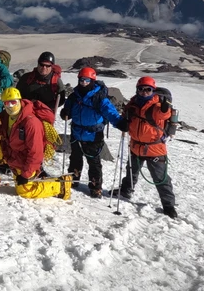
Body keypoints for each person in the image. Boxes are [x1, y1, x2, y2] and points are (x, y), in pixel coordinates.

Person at [0, 87, 70, 199]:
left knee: (24, 191)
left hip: (23, 160)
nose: (10, 106)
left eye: (13, 102)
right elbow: (5, 131)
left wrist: (25, 175)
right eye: (7, 103)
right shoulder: (7, 115)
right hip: (8, 151)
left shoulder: (31, 123)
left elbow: (35, 153)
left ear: (20, 100)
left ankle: (59, 185)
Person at [114, 76, 178, 218]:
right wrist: (123, 122)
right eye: (141, 89)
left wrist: (165, 107)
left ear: (153, 91)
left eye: (148, 90)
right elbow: (126, 116)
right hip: (136, 146)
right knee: (131, 171)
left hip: (154, 149)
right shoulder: (132, 104)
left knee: (160, 177)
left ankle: (168, 205)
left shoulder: (157, 105)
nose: (144, 92)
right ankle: (126, 190)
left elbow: (163, 114)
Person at [59, 67, 122, 198]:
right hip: (76, 132)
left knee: (94, 162)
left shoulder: (99, 97)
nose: (83, 83)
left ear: (92, 80)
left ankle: (95, 186)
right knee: (75, 158)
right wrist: (65, 112)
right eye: (81, 80)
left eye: (87, 80)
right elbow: (68, 109)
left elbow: (110, 112)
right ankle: (73, 179)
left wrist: (120, 123)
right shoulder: (74, 96)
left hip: (93, 135)